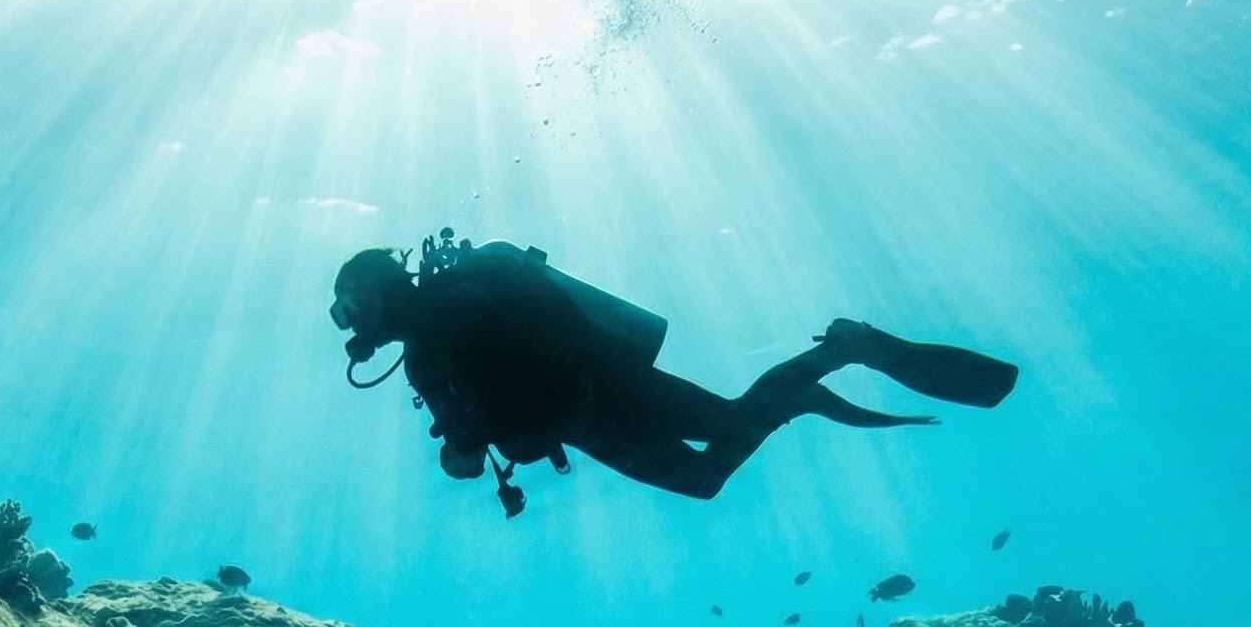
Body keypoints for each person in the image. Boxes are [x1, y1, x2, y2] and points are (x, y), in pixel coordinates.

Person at [330, 231, 1018, 516]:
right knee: (709, 470)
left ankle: (836, 356)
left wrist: (465, 444)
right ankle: (814, 377)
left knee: (712, 454)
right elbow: (478, 418)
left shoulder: (442, 324)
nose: (353, 325)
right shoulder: (436, 333)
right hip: (594, 411)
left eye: (352, 306)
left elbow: (480, 428)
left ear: (382, 291)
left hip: (603, 402)